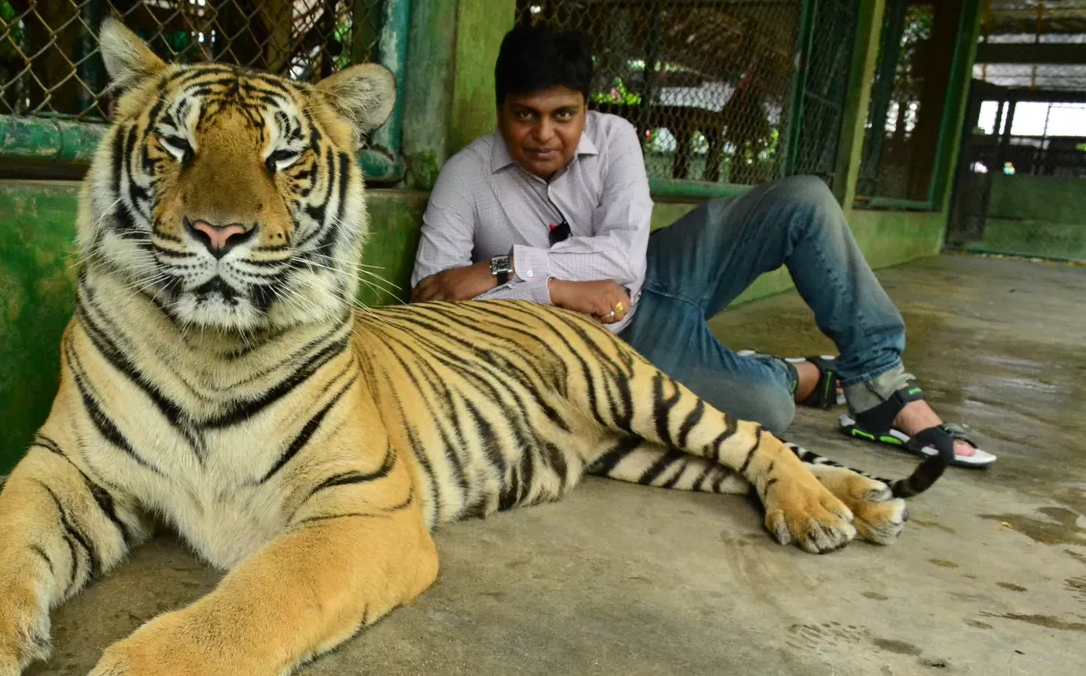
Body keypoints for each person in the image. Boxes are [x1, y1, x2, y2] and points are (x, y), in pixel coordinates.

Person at [409, 25, 994, 468]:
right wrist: (560, 291)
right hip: (620, 340)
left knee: (805, 201)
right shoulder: (466, 176)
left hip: (668, 269)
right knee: (769, 411)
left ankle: (879, 385)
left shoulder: (615, 139)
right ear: (500, 110)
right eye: (525, 116)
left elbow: (623, 261)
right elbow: (430, 303)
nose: (544, 135)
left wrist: (507, 267)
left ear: (587, 108)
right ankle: (795, 375)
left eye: (564, 115)